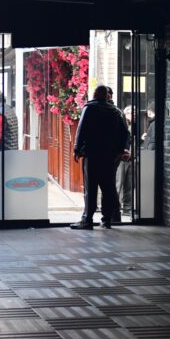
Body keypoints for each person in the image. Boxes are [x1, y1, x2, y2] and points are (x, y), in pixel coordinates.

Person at [71, 85, 128, 230]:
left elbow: (81, 129)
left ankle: (87, 220)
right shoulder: (115, 112)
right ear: (106, 96)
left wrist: (77, 149)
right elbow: (124, 134)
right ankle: (106, 220)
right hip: (109, 157)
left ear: (96, 94)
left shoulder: (89, 108)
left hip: (92, 155)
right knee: (108, 188)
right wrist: (120, 152)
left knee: (91, 188)